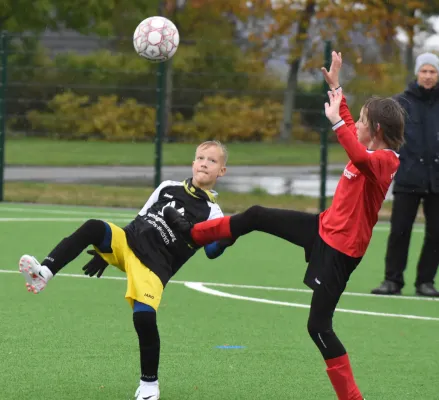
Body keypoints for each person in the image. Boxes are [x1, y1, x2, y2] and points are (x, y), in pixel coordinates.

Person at [162, 51, 405, 400]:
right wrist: (336, 87)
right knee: (257, 214)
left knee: (318, 327)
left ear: (378, 130)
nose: (357, 125)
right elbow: (353, 131)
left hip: (339, 252)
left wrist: (337, 122)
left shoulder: (384, 161)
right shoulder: (370, 145)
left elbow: (356, 151)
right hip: (323, 228)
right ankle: (194, 234)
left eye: (364, 122)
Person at [18, 140, 233, 400]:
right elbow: (140, 219)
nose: (204, 164)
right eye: (200, 158)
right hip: (129, 242)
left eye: (212, 161)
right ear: (192, 162)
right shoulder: (167, 187)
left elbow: (211, 252)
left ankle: (149, 385)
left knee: (144, 319)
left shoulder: (213, 212)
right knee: (94, 227)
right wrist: (106, 253)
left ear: (221, 171)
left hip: (154, 267)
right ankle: (44, 273)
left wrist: (228, 236)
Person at [371, 52, 439, 297]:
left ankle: (425, 282)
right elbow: (386, 139)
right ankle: (392, 280)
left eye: (433, 71)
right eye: (425, 71)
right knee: (399, 230)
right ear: (417, 73)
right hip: (408, 178)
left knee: (436, 234)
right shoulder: (401, 103)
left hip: (437, 182)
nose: (428, 76)